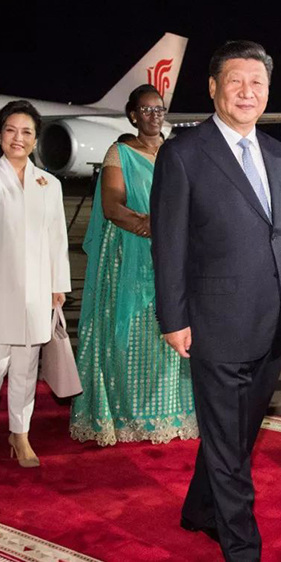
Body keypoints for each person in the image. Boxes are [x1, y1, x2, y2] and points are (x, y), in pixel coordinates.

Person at [150, 40, 281, 562]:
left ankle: (199, 508)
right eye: (236, 81)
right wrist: (173, 316)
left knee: (238, 434)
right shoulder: (184, 154)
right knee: (226, 442)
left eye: (257, 82)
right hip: (214, 321)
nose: (247, 92)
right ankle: (242, 551)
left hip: (275, 319)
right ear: (214, 87)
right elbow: (168, 243)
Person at [70, 85, 197, 446]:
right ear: (132, 116)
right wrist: (153, 227)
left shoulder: (177, 152)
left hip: (176, 256)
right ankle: (128, 414)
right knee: (133, 332)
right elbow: (112, 206)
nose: (153, 116)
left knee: (172, 329)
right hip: (132, 255)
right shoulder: (120, 153)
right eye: (146, 110)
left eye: (159, 109)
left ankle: (170, 412)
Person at [0, 100, 71, 469]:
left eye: (26, 132)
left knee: (26, 366)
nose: (17, 138)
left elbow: (56, 238)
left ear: (35, 140)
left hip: (36, 292)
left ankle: (20, 433)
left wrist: (58, 284)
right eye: (10, 130)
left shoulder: (49, 184)